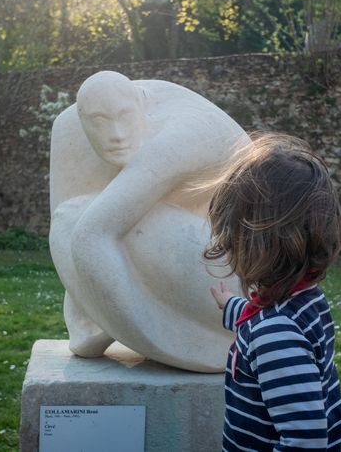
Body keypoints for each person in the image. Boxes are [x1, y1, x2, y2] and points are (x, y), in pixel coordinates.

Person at [49, 70, 249, 372]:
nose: (115, 134)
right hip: (204, 256)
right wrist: (86, 319)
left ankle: (198, 344)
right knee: (72, 215)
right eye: (99, 122)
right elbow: (67, 227)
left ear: (142, 105)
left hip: (246, 279)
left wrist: (107, 326)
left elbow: (90, 234)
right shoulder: (68, 127)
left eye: (125, 117)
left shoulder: (183, 135)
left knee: (75, 218)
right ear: (83, 117)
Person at [206, 133, 341, 451]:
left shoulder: (273, 333)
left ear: (253, 242)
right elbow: (263, 322)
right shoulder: (302, 301)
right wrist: (231, 306)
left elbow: (305, 443)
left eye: (230, 237)